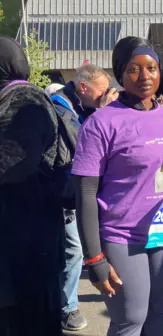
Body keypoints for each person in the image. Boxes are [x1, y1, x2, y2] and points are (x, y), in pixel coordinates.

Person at [72, 37, 163, 336]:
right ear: (120, 73)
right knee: (131, 318)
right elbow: (85, 191)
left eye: (151, 68)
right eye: (134, 69)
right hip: (122, 235)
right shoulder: (101, 122)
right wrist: (94, 257)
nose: (145, 76)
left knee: (156, 313)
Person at [0, 36, 64, 336]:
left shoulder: (25, 101)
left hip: (29, 233)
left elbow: (13, 161)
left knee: (28, 316)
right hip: (16, 232)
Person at [48, 64, 118, 332]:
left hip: (76, 187)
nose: (105, 97)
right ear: (83, 87)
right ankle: (67, 307)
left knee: (69, 249)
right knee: (74, 248)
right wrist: (102, 113)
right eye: (101, 92)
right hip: (63, 188)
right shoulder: (61, 106)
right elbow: (81, 143)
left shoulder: (85, 106)